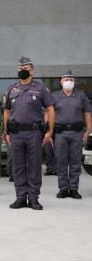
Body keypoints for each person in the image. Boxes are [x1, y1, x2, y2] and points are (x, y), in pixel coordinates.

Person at [4, 57, 55, 211]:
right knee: (18, 166)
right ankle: (20, 197)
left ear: (32, 71)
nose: (22, 70)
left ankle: (33, 198)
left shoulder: (40, 88)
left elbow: (50, 109)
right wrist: (6, 132)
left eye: (25, 68)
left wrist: (50, 131)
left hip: (34, 133)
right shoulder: (11, 89)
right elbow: (6, 111)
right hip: (16, 133)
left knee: (34, 166)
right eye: (20, 68)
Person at [52, 70, 92, 199]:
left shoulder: (81, 96)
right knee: (61, 162)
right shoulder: (54, 96)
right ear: (61, 82)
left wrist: (88, 131)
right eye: (65, 79)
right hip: (60, 133)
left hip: (77, 133)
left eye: (71, 79)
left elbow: (87, 114)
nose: (68, 81)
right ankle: (63, 189)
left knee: (75, 162)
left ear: (74, 81)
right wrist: (49, 133)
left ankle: (74, 189)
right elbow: (49, 115)